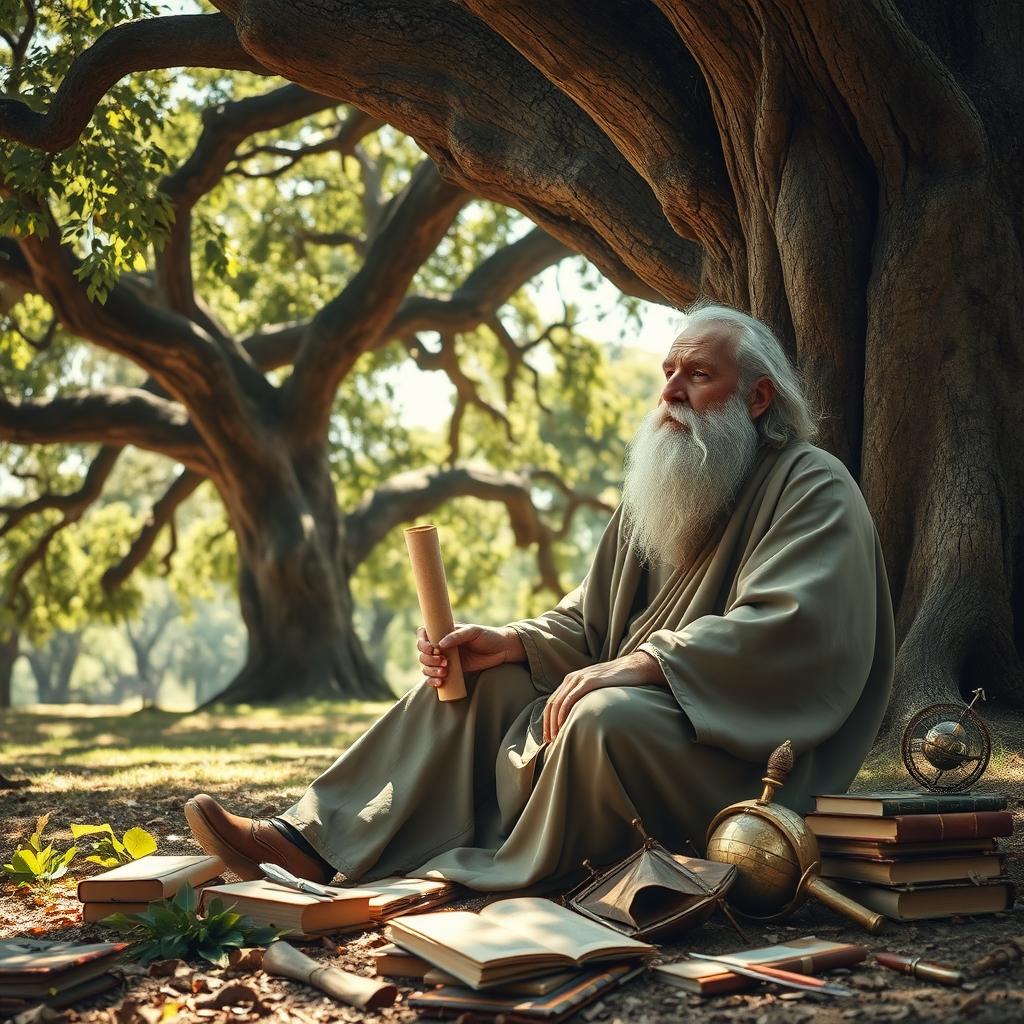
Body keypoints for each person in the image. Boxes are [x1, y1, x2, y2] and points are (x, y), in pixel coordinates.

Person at [184, 301, 895, 894]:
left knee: (602, 717)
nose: (672, 392)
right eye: (668, 373)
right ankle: (306, 841)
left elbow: (792, 631)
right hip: (660, 709)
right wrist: (512, 641)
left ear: (758, 396)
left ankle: (499, 875)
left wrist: (643, 664)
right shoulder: (667, 489)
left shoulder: (813, 485)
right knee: (478, 684)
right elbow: (587, 621)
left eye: (699, 375)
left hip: (742, 756)